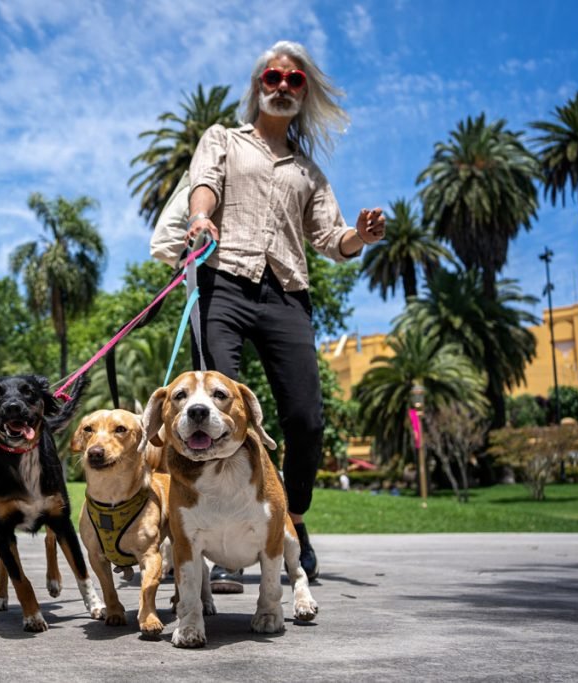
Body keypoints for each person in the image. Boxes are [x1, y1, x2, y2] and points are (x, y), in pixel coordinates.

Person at [184, 40, 386, 592]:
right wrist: (202, 219)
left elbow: (330, 236)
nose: (282, 86)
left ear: (303, 93)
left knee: (305, 419)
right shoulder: (223, 139)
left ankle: (292, 519)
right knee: (220, 414)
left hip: (287, 295)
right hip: (222, 283)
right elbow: (204, 186)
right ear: (257, 84)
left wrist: (360, 236)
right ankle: (219, 536)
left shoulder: (309, 172)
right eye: (273, 76)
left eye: (294, 81)